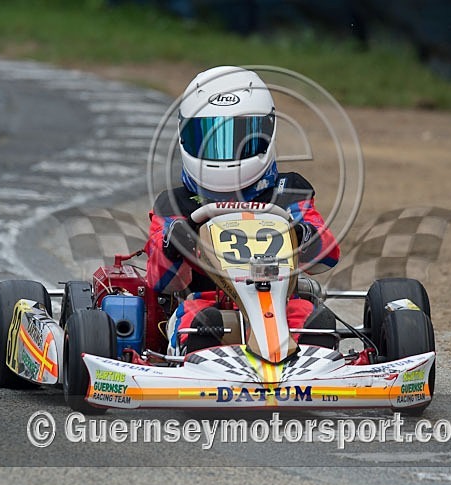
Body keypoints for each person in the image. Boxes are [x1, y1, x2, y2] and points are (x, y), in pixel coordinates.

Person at [145, 66, 340, 354]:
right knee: (202, 323)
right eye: (210, 139)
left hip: (281, 306)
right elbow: (161, 282)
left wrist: (304, 235)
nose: (226, 153)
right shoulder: (175, 204)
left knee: (316, 322)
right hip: (207, 302)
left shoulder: (289, 192)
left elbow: (328, 257)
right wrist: (174, 242)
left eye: (240, 139)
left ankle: (298, 364)